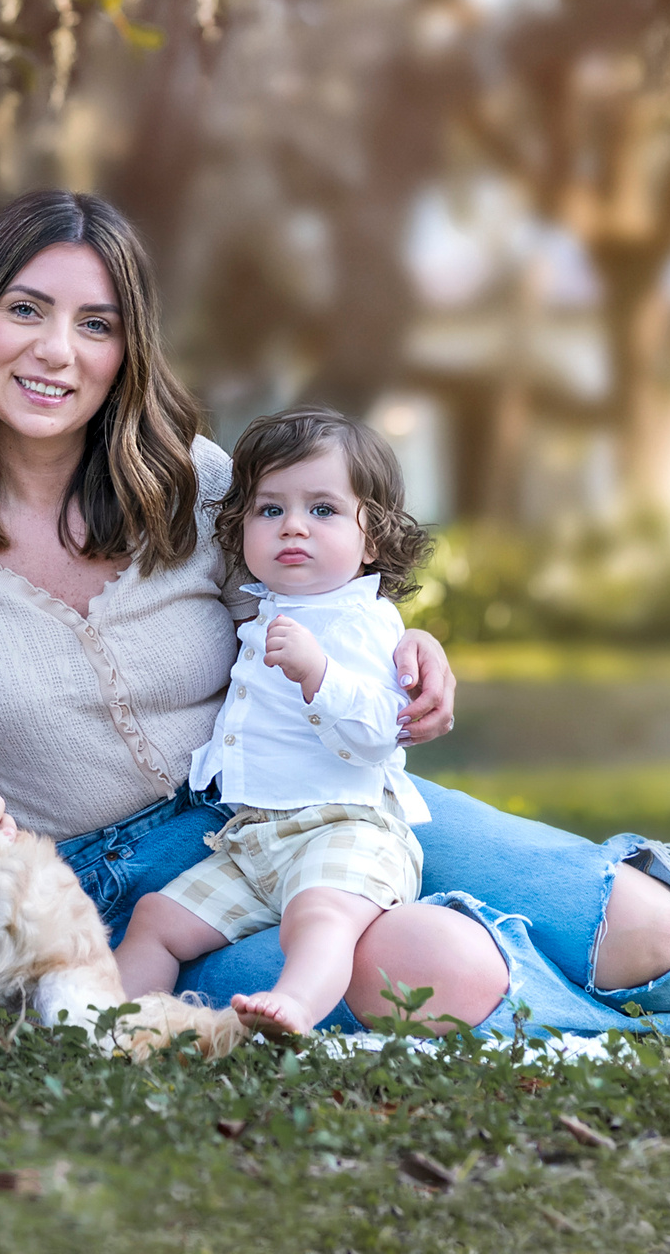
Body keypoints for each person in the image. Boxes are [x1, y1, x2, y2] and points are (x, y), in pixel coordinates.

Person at [0, 190, 670, 1038]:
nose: (56, 352)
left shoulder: (203, 486)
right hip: (119, 898)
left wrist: (416, 645)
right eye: (25, 310)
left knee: (642, 922)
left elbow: (331, 589)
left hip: (313, 803)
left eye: (96, 324)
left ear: (130, 350)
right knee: (419, 970)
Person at [115, 407, 436, 1038]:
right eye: (270, 510)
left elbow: (381, 732)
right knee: (156, 918)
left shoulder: (362, 622)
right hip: (254, 838)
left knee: (320, 917)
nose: (293, 526)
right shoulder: (270, 609)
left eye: (323, 510)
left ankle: (292, 1005)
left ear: (372, 539)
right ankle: (97, 1022)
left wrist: (321, 674)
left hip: (346, 827)